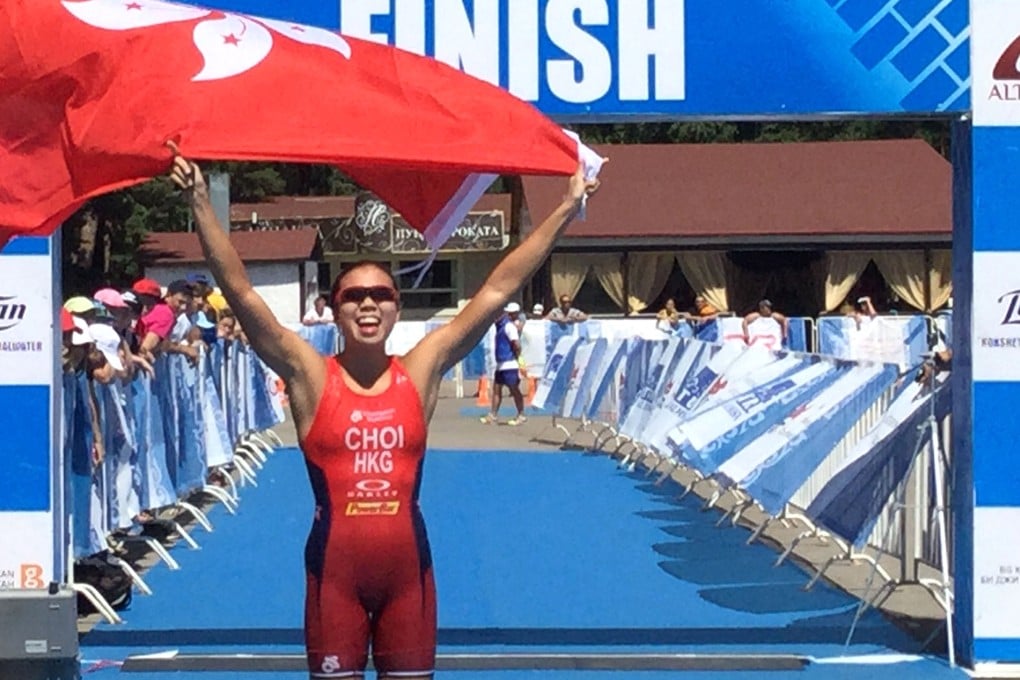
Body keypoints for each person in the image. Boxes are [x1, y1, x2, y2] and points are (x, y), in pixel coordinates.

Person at [168, 144, 600, 680]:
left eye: (380, 295)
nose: (368, 304)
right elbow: (240, 291)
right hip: (334, 578)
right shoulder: (310, 376)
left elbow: (497, 288)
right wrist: (200, 204)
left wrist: (566, 207)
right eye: (354, 296)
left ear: (397, 308)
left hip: (407, 577)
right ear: (334, 309)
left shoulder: (421, 370)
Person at [480, 302, 527, 427]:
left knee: (514, 390)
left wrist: (518, 357)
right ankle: (493, 415)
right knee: (496, 389)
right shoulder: (501, 327)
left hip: (509, 364)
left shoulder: (509, 327)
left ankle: (521, 415)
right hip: (500, 364)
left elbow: (516, 344)